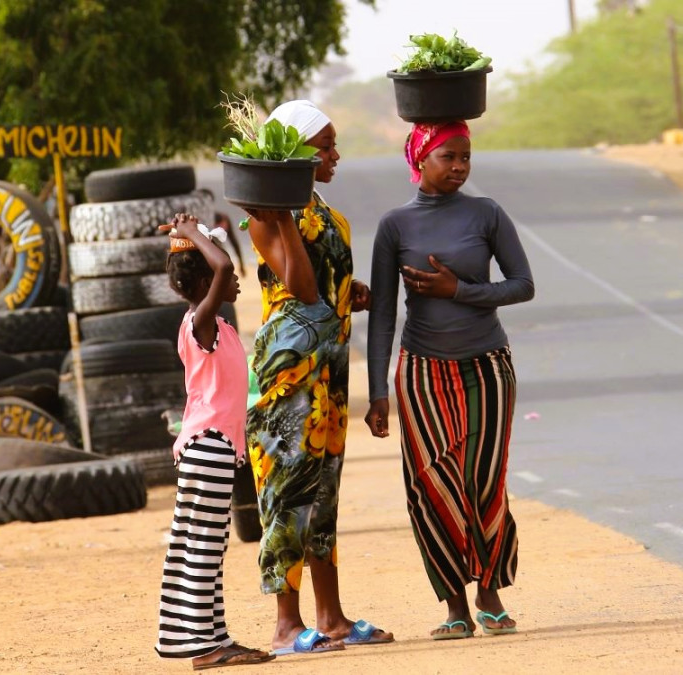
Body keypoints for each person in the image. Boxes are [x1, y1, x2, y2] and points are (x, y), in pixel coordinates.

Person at [365, 120, 535, 640]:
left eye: (466, 157)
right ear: (421, 159)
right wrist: (377, 392)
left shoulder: (487, 214)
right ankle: (454, 607)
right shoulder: (395, 226)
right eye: (449, 157)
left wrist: (458, 290)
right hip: (421, 373)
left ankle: (490, 593)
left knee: (484, 482)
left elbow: (522, 285)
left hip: (487, 368)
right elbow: (383, 316)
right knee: (431, 483)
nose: (460, 166)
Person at [243, 99, 393, 655]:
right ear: (294, 155)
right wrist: (281, 209)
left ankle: (331, 617)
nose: (335, 154)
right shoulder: (267, 215)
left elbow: (323, 285)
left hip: (328, 370)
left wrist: (350, 294)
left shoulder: (321, 208)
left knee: (324, 491)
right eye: (324, 146)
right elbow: (301, 290)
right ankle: (286, 626)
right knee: (288, 491)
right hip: (289, 374)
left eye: (332, 144)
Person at [154, 212, 274, 669]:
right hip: (209, 447)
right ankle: (204, 647)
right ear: (206, 281)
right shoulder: (197, 325)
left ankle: (209, 637)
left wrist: (199, 234)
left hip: (213, 448)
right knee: (203, 546)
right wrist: (190, 236)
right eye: (225, 273)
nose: (236, 278)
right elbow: (223, 267)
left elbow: (221, 268)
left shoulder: (218, 327)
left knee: (203, 543)